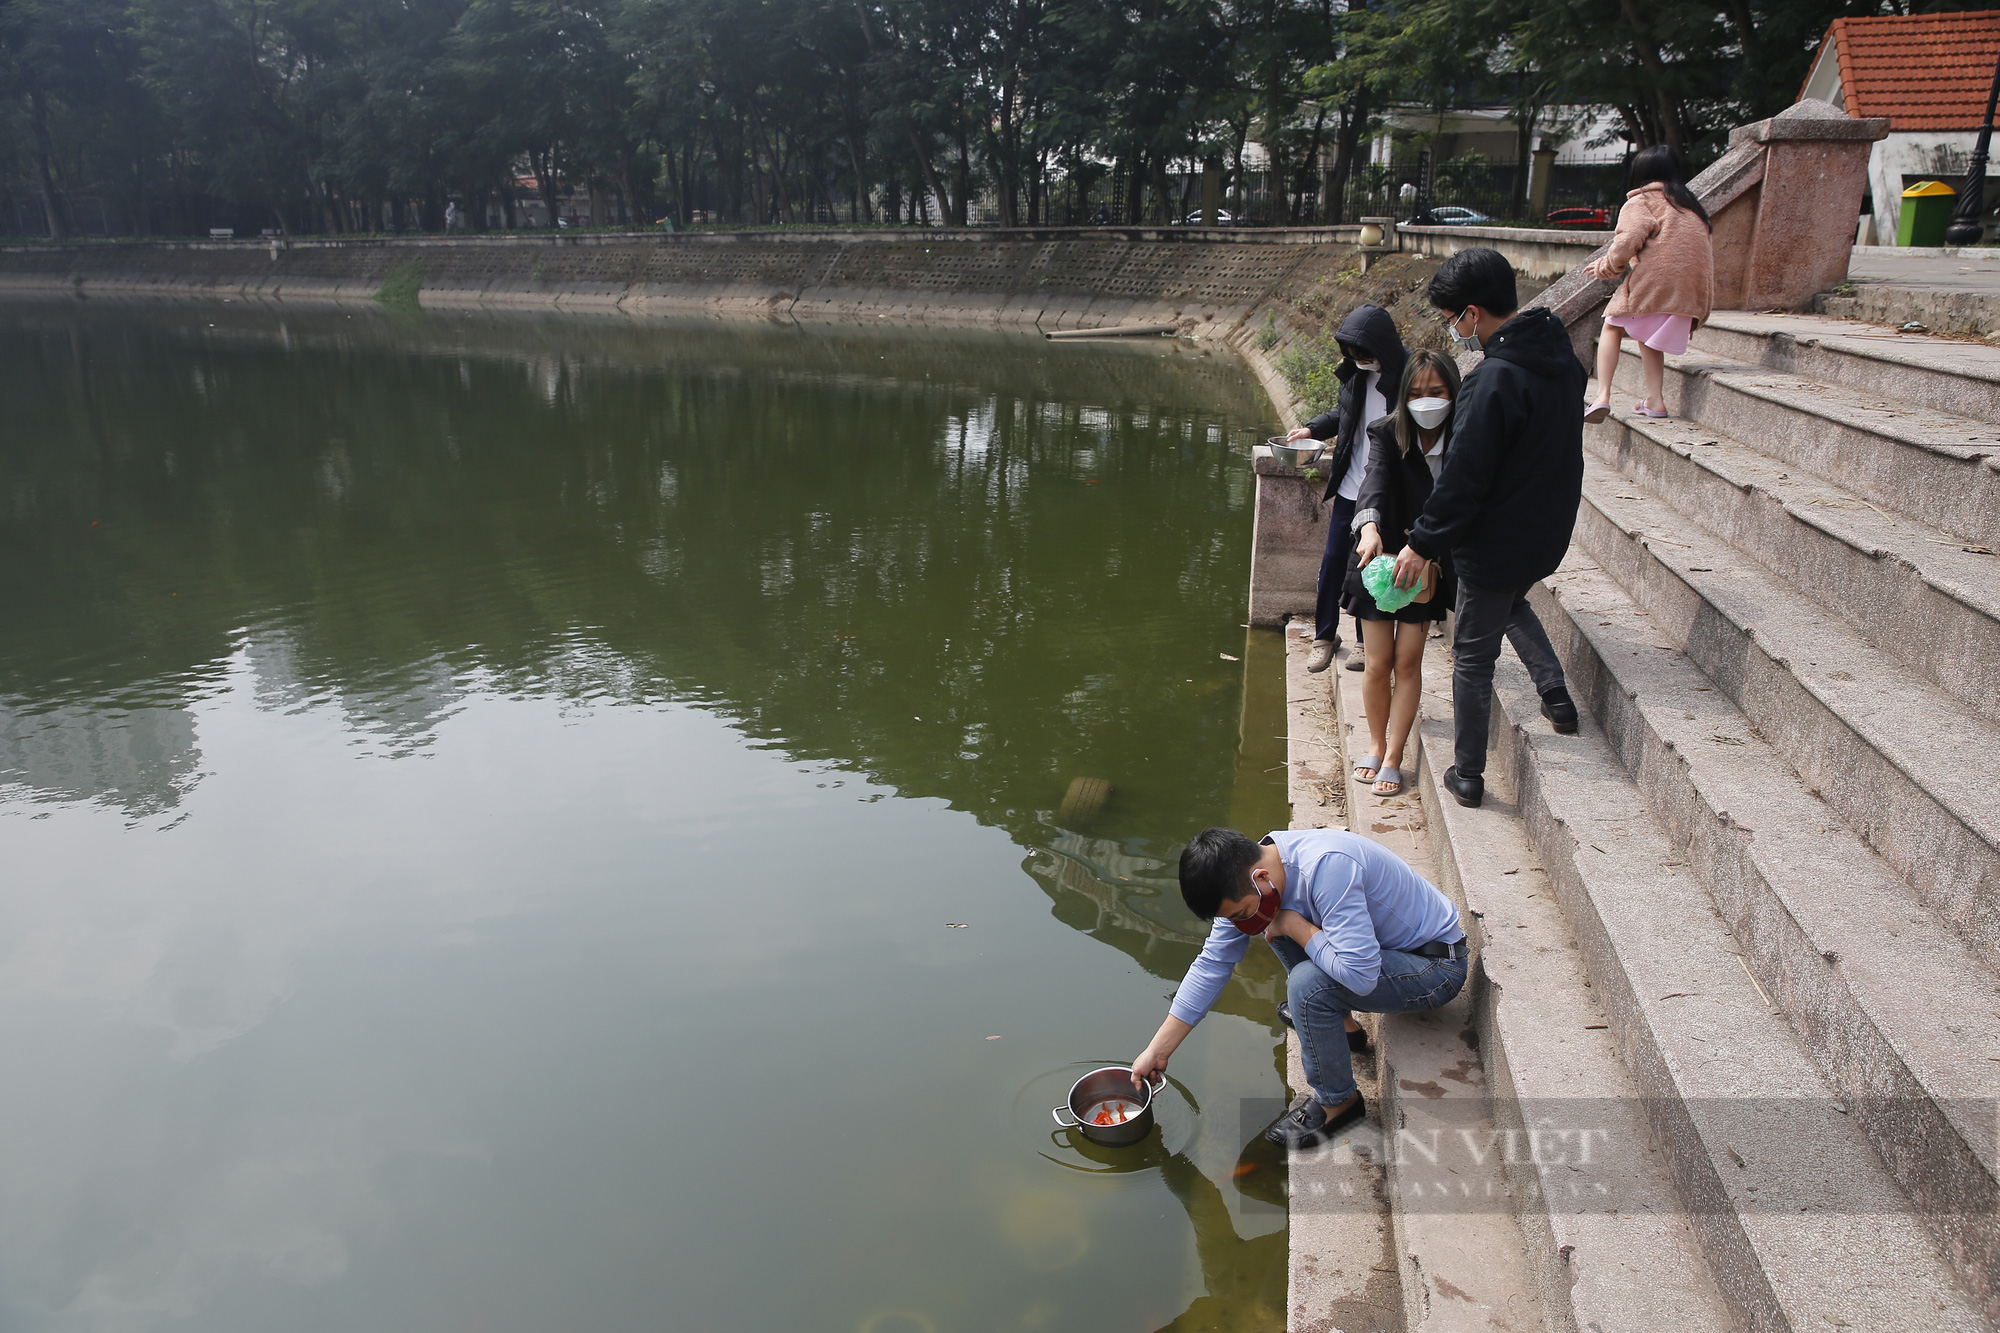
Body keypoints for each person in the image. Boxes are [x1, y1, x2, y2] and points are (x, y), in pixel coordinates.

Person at [1130, 827, 1468, 1149]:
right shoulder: (1257, 872)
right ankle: (1343, 1026)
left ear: (1259, 877)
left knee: (1306, 983)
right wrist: (1158, 1051)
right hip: (1381, 954)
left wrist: (1297, 928)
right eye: (1232, 917)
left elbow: (1361, 976)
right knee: (1271, 922)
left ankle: (1339, 1101)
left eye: (1240, 912)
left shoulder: (1328, 868)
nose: (1240, 923)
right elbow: (1212, 965)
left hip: (1433, 967)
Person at [1392, 247, 1582, 809]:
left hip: (1496, 538)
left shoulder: (1492, 381)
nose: (1454, 330)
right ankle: (1556, 695)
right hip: (1545, 533)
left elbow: (1464, 477)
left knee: (1473, 656)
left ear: (1472, 314)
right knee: (1511, 603)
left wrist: (1422, 543)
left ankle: (1468, 774)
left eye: (1453, 318)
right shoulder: (1564, 362)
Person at [1345, 349, 1460, 797]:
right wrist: (1369, 526)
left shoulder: (1465, 436)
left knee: (1408, 660)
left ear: (1452, 391)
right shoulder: (1387, 433)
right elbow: (1373, 479)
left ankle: (1395, 755)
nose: (1426, 400)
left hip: (1425, 564)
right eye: (1415, 393)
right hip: (1377, 561)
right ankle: (1375, 745)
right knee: (1378, 663)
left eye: (1436, 392)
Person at [1283, 304, 1409, 676]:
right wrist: (1312, 429)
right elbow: (1344, 414)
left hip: (1384, 492)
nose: (1360, 361)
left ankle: (1362, 639)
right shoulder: (1355, 374)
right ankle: (1324, 636)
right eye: (1353, 356)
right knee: (1333, 562)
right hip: (1351, 488)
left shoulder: (1406, 379)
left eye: (1365, 354)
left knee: (1368, 565)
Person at [1584, 145, 1715, 422]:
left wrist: (1606, 266)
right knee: (1647, 329)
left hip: (1657, 282)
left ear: (1639, 173)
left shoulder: (1641, 201)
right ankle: (1654, 400)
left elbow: (1628, 240)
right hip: (1691, 292)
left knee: (1611, 324)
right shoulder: (1692, 207)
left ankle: (1602, 396)